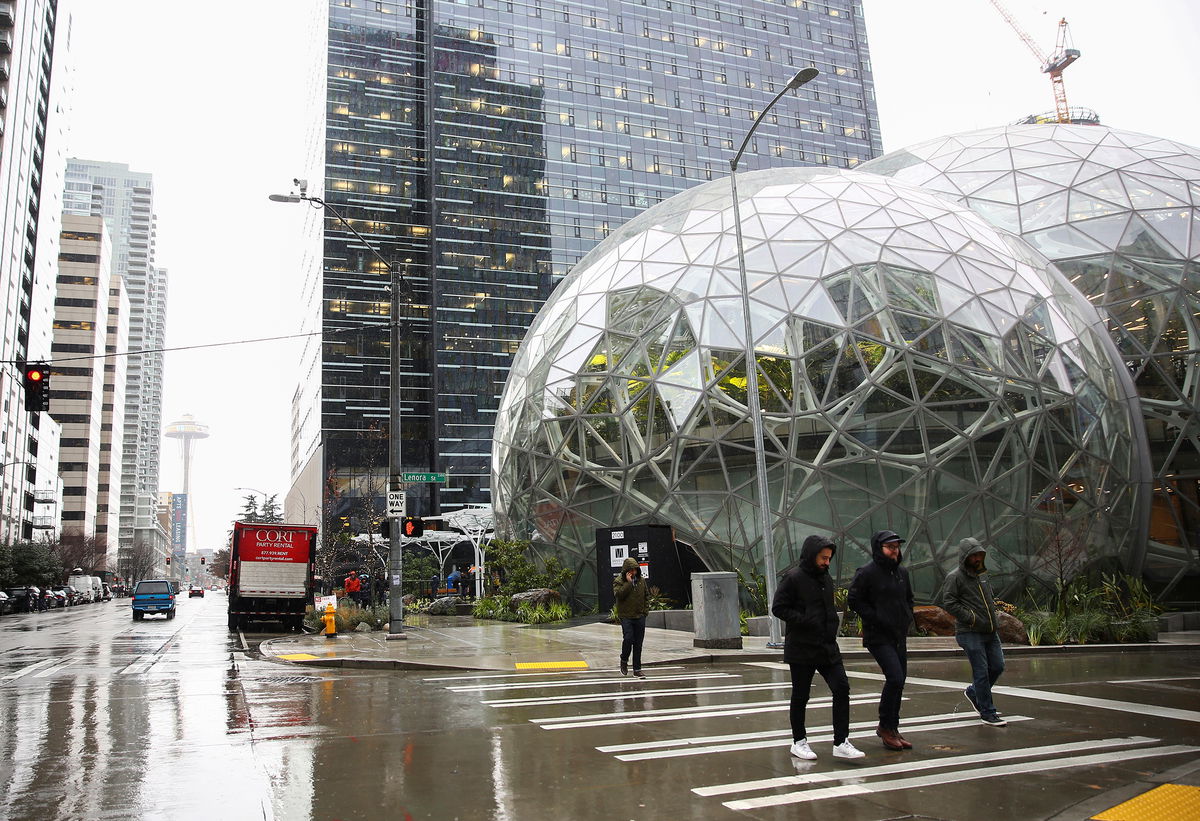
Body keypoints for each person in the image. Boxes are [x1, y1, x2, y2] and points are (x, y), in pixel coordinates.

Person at [772, 535, 866, 761]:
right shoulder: (793, 578)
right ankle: (799, 741)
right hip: (802, 647)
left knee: (841, 688)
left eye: (829, 558)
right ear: (812, 554)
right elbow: (778, 607)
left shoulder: (826, 578)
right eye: (823, 558)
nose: (826, 562)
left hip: (826, 646)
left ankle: (841, 741)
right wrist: (805, 620)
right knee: (801, 695)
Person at [848, 530, 915, 751]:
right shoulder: (867, 573)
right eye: (890, 547)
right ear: (879, 548)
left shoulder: (901, 573)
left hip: (898, 634)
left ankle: (892, 727)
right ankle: (885, 727)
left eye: (896, 546)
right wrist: (875, 618)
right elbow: (854, 599)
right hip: (878, 636)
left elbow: (908, 598)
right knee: (895, 678)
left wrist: (907, 617)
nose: (894, 551)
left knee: (900, 680)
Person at [938, 537, 1007, 727]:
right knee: (982, 671)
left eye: (979, 555)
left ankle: (974, 692)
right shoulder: (955, 577)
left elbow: (987, 600)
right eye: (974, 555)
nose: (977, 558)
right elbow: (949, 602)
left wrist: (993, 619)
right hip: (969, 632)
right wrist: (972, 618)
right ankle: (988, 712)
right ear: (965, 556)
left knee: (998, 666)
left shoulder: (982, 575)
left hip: (990, 630)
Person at [613, 557, 648, 677]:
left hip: (639, 616)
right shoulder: (619, 581)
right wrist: (628, 583)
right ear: (626, 571)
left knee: (638, 643)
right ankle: (624, 659)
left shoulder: (641, 581)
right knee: (628, 639)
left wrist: (645, 612)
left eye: (635, 570)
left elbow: (646, 596)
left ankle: (637, 669)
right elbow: (619, 595)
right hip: (626, 616)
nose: (633, 572)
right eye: (631, 570)